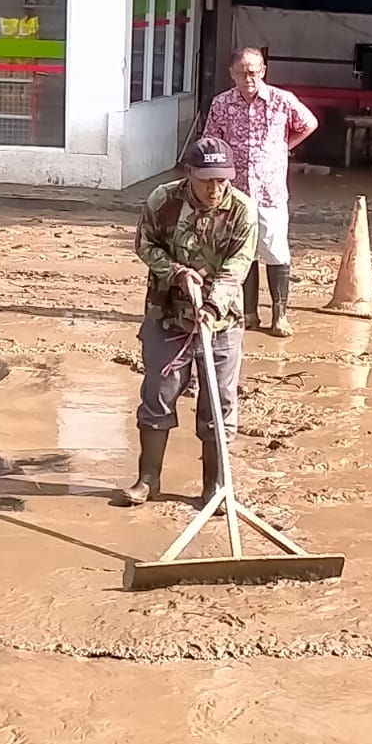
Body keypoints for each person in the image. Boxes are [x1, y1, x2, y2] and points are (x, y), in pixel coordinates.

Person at [123, 137, 258, 508]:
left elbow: (236, 269)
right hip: (167, 316)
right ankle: (147, 479)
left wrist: (213, 308)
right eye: (207, 180)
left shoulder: (243, 211)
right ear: (190, 174)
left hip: (221, 322)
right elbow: (145, 245)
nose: (215, 188)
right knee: (158, 395)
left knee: (219, 402)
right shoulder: (162, 201)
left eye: (222, 180)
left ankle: (214, 487)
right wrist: (177, 272)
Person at [202, 46, 318, 338]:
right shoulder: (222, 104)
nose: (248, 77)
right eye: (241, 72)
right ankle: (249, 313)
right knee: (243, 252)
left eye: (253, 71)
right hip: (235, 192)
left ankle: (280, 316)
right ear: (232, 74)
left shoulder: (282, 101)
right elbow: (211, 142)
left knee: (276, 250)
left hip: (270, 190)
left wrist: (284, 147)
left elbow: (309, 124)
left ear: (263, 71)